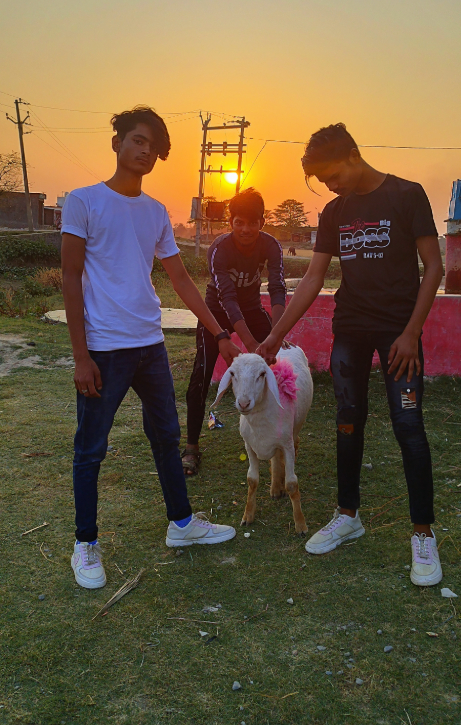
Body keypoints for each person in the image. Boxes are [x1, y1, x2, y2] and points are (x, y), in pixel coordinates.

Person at [61, 105, 240, 591]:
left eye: (152, 146)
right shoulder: (83, 202)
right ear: (117, 141)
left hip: (150, 345)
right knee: (90, 449)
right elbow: (71, 278)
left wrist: (219, 333)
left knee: (167, 437)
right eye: (136, 140)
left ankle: (181, 524)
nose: (144, 151)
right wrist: (81, 355)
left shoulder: (157, 211)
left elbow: (180, 279)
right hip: (104, 348)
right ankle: (85, 544)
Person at [258, 123, 444, 586]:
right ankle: (348, 514)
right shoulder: (335, 212)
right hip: (351, 330)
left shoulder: (407, 195)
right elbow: (313, 280)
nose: (329, 186)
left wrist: (411, 332)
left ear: (353, 156)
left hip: (400, 332)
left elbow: (434, 266)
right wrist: (274, 338)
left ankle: (423, 534)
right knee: (347, 419)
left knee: (408, 425)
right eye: (321, 182)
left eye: (331, 175)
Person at [182, 187, 286, 475]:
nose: (246, 229)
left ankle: (279, 435)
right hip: (216, 314)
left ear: (261, 223)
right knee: (200, 376)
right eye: (239, 222)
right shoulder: (219, 248)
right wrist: (251, 342)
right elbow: (227, 298)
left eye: (252, 223)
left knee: (278, 369)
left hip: (252, 309)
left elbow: (277, 288)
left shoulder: (271, 246)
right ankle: (191, 447)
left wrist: (275, 335)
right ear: (231, 223)